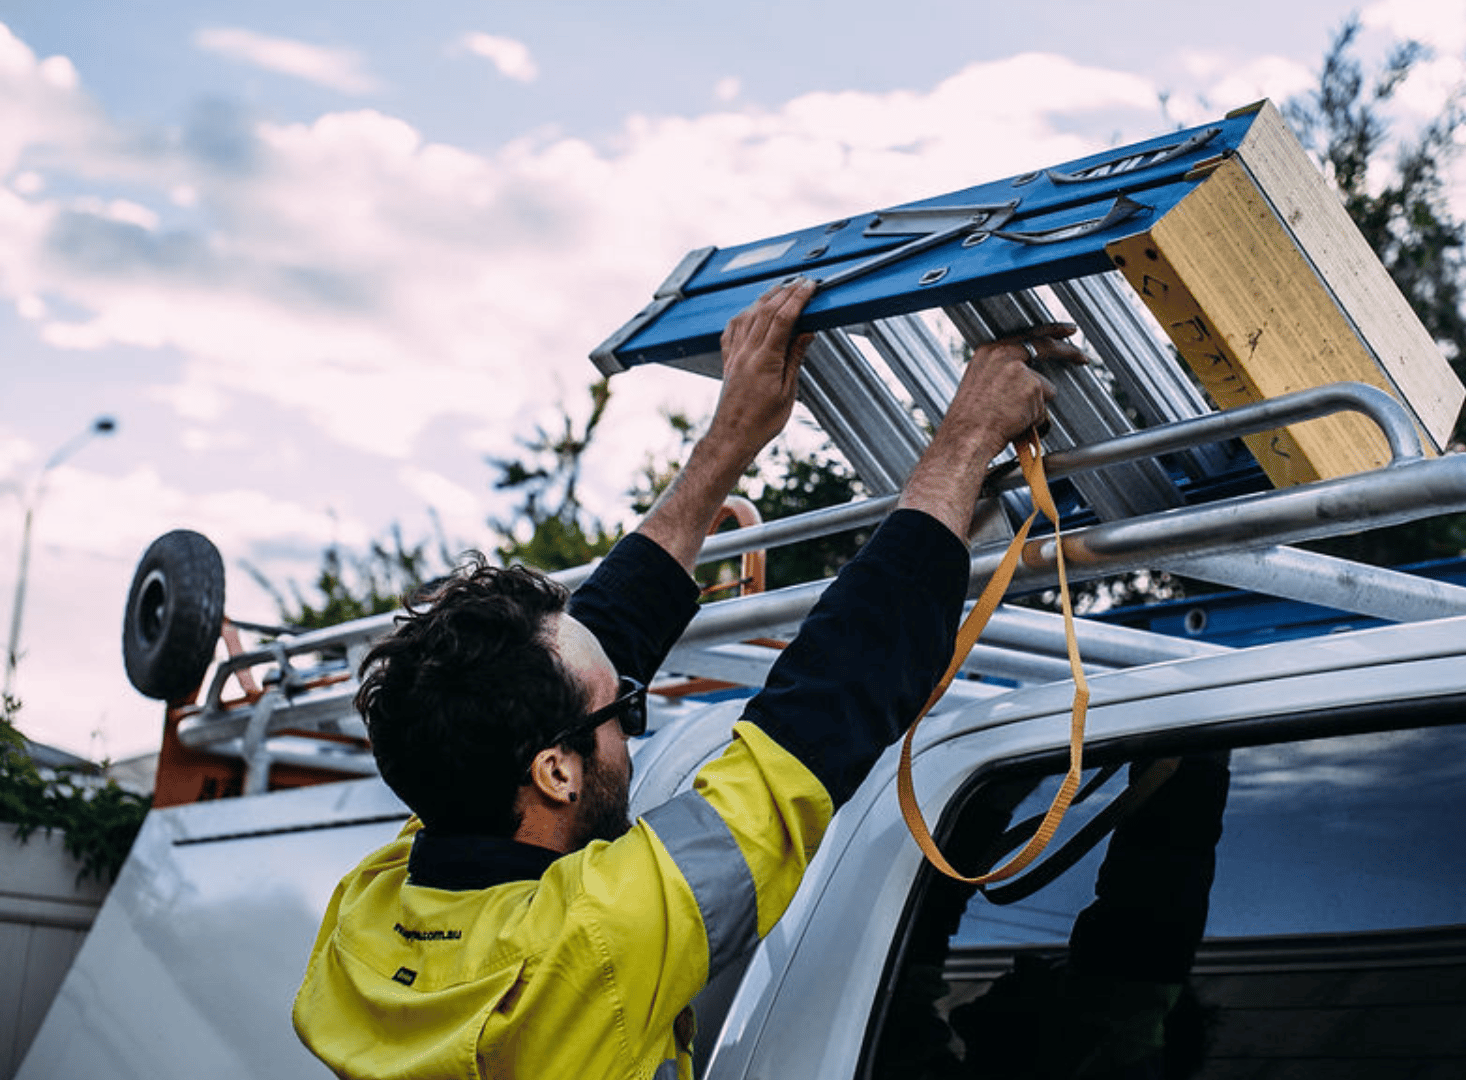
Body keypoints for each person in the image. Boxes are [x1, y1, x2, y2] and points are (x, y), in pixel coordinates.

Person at [291, 277, 1083, 1080]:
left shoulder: (373, 908)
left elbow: (586, 654)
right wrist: (964, 440)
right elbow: (821, 713)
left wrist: (731, 439)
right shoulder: (599, 936)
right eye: (622, 714)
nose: (630, 718)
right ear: (555, 770)